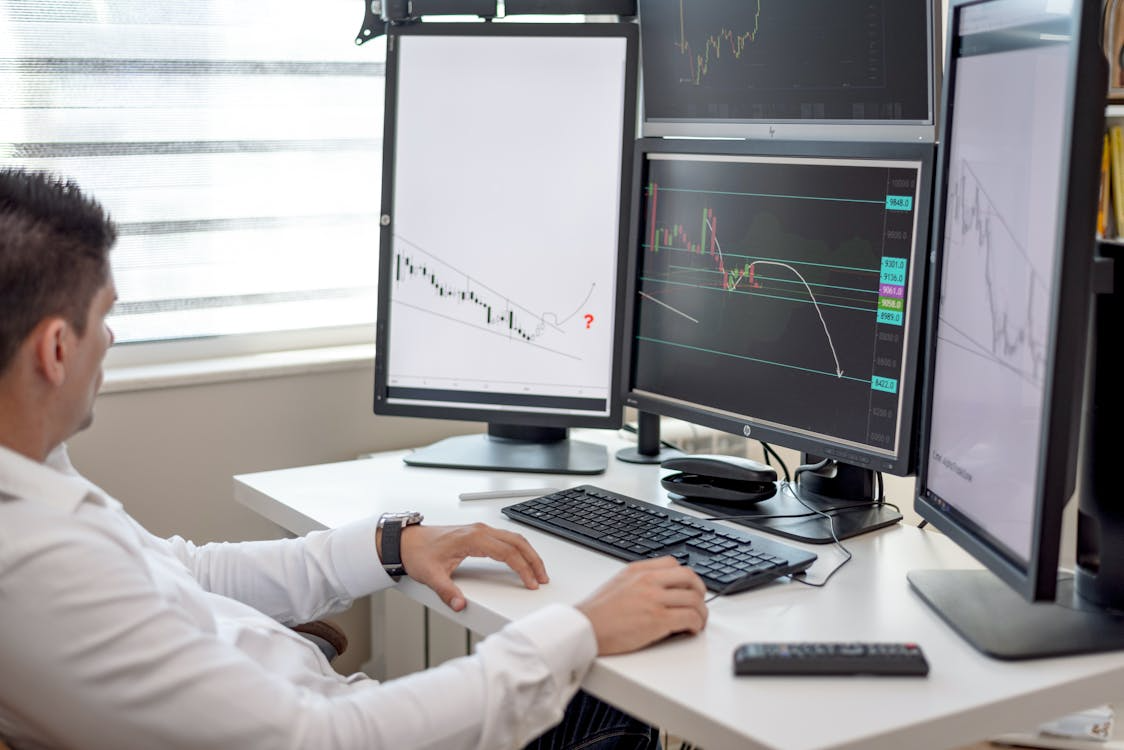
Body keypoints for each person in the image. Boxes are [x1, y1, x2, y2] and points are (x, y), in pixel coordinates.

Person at [0, 168, 709, 750]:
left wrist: (390, 545)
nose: (113, 338)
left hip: (337, 707)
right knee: (650, 676)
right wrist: (582, 628)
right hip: (344, 727)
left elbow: (186, 571)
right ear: (56, 350)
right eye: (104, 315)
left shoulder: (36, 472)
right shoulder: (38, 566)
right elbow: (326, 740)